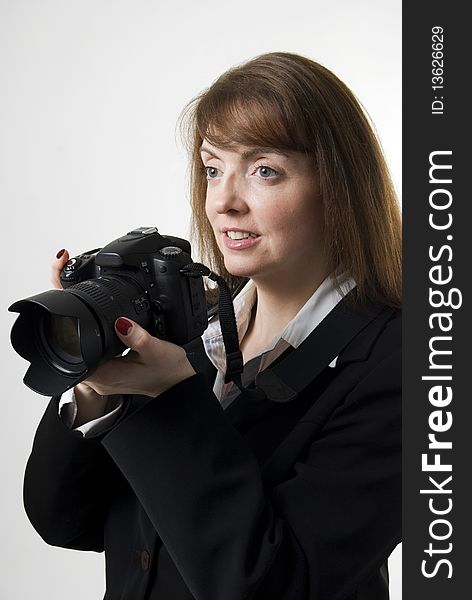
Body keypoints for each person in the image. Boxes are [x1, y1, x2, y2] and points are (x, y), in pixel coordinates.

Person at [24, 52, 402, 600]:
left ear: (338, 185)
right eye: (212, 168)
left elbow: (277, 586)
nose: (224, 201)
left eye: (263, 170)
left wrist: (168, 397)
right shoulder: (185, 327)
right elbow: (66, 522)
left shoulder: (406, 362)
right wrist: (95, 380)